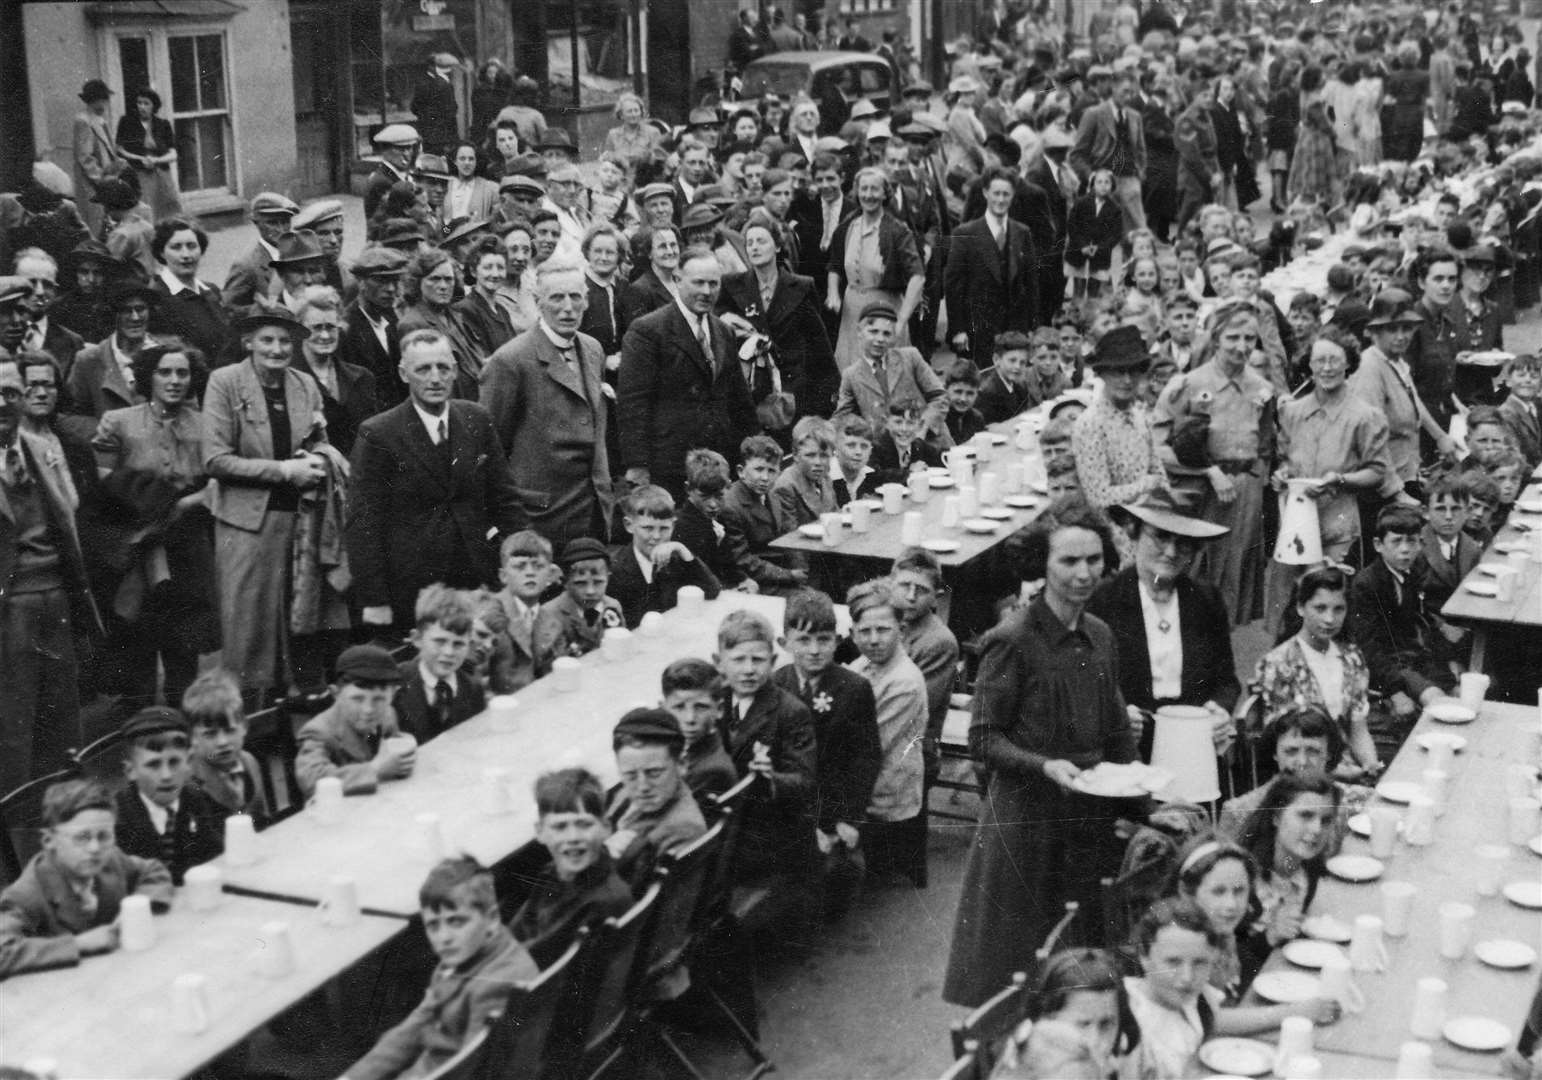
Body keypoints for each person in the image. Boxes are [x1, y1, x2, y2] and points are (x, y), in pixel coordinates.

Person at [943, 499, 1137, 1007]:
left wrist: (1143, 801)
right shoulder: (1011, 639)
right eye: (1068, 561)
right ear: (1041, 565)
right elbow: (982, 739)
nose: (1084, 573)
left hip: (1085, 817)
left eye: (1094, 560)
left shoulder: (1100, 635)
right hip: (1025, 823)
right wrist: (1044, 764)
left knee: (1075, 959)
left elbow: (1116, 729)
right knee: (1014, 968)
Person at [348, 329, 522, 638]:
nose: (435, 378)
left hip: (475, 571)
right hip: (413, 583)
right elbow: (364, 523)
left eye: (443, 368)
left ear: (455, 371)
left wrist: (519, 561)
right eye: (423, 369)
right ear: (404, 374)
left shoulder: (475, 419)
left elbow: (504, 498)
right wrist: (374, 599)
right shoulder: (379, 433)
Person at [202, 309, 331, 698]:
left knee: (296, 629)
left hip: (299, 520)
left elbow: (319, 438)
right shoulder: (225, 382)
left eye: (286, 341)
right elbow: (215, 459)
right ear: (249, 343)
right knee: (248, 632)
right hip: (246, 524)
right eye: (268, 340)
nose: (277, 349)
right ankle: (246, 725)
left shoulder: (303, 383)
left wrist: (320, 457)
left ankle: (288, 725)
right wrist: (285, 471)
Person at [91, 341, 216, 709]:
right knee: (138, 638)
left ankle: (181, 719)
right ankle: (141, 724)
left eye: (182, 372)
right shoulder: (120, 422)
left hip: (188, 549)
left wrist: (189, 503)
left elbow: (216, 481)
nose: (175, 380)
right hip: (136, 548)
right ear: (148, 376)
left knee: (185, 643)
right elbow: (104, 485)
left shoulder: (207, 425)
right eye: (165, 372)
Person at [0, 350, 100, 796]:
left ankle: (67, 819)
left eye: (10, 393)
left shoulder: (41, 450)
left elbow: (69, 524)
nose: (4, 404)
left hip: (56, 596)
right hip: (10, 607)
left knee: (63, 724)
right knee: (13, 727)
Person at [343, 857, 535, 1080]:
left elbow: (474, 1069)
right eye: (433, 925)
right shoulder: (469, 953)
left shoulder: (496, 983)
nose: (443, 938)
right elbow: (417, 1024)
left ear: (491, 919)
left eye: (456, 921)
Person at [1086, 488, 1239, 764]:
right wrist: (1116, 714)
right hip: (1128, 743)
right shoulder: (1104, 600)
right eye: (1161, 537)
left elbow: (1226, 680)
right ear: (1134, 532)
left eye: (1183, 543)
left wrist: (1220, 710)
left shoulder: (1206, 599)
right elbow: (1087, 683)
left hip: (1192, 738)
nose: (1170, 552)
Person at [1152, 301, 1276, 622]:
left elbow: (1264, 445)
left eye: (1250, 338)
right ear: (1217, 338)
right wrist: (1207, 470)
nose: (1242, 346)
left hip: (1244, 498)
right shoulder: (1188, 384)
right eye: (1233, 337)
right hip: (1201, 494)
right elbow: (1157, 446)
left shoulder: (1262, 389)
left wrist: (1254, 483)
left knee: (1232, 585)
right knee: (1196, 578)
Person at [479, 260, 613, 549]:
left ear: (587, 301)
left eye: (575, 297)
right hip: (539, 519)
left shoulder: (592, 349)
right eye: (556, 298)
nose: (567, 307)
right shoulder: (511, 361)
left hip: (592, 512)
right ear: (539, 303)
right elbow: (489, 449)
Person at [617, 247, 758, 495]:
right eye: (699, 283)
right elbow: (633, 405)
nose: (706, 291)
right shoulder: (648, 331)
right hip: (670, 465)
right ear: (678, 280)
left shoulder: (723, 331)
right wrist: (637, 465)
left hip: (717, 462)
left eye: (713, 284)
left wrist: (752, 449)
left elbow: (739, 399)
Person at [0, 778, 172, 978]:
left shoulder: (110, 860)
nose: (95, 848)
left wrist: (135, 910)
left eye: (104, 836)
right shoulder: (26, 894)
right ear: (49, 840)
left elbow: (153, 871)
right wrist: (78, 944)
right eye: (81, 837)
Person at [770, 589, 880, 898]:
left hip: (835, 801)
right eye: (804, 640)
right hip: (792, 803)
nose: (815, 650)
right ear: (784, 643)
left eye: (824, 639)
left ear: (838, 639)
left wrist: (849, 818)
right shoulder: (777, 685)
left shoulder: (854, 688)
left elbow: (866, 757)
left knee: (840, 873)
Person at [1272, 328, 1389, 580]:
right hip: (1295, 522)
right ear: (1309, 365)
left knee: (1330, 598)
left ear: (1348, 363)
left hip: (1338, 525)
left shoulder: (1365, 416)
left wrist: (1340, 479)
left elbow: (1378, 472)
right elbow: (1284, 458)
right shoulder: (1292, 412)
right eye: (1319, 361)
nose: (1327, 368)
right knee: (1287, 600)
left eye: (1334, 360)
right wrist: (1281, 475)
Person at [1249, 565, 1381, 782]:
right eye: (1320, 608)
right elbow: (1286, 749)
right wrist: (1337, 774)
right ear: (1301, 607)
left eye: (1338, 609)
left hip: (1348, 773)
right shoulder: (1279, 663)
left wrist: (1370, 764)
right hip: (1299, 778)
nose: (1330, 619)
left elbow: (1358, 729)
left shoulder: (1351, 657)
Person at [715, 609, 817, 882]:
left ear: (772, 661)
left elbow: (804, 780)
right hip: (721, 820)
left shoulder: (792, 712)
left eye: (758, 660)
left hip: (764, 831)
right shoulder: (712, 702)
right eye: (738, 659)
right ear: (719, 663)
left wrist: (772, 778)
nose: (749, 669)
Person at [1348, 506, 1457, 755]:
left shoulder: (1415, 571)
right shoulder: (1367, 583)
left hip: (1416, 657)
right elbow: (1368, 646)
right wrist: (1395, 690)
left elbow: (1423, 622)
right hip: (1389, 666)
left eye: (1412, 541)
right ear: (1378, 544)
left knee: (1459, 692)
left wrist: (1449, 659)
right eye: (1396, 541)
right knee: (1436, 701)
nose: (1405, 549)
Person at [845, 579, 930, 885]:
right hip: (868, 767)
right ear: (852, 632)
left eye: (883, 630)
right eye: (864, 631)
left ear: (901, 631)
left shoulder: (903, 682)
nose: (874, 639)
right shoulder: (866, 664)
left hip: (886, 787)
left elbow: (870, 746)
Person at [507, 768, 633, 969]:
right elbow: (521, 925)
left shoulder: (602, 901)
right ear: (540, 832)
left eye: (584, 824)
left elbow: (534, 956)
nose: (573, 837)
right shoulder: (554, 873)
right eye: (559, 827)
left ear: (606, 828)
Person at [719, 209, 837, 418]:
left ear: (778, 246)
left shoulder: (801, 286)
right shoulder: (731, 285)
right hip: (751, 384)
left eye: (761, 241)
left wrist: (826, 395)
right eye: (750, 243)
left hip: (793, 386)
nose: (755, 247)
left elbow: (818, 345)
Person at [1350, 289, 1456, 500]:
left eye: (1406, 328)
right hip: (1381, 487)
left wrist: (1440, 436)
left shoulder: (1396, 361)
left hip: (1407, 473)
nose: (1401, 336)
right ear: (1375, 331)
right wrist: (1397, 493)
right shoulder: (1370, 368)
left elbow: (1413, 401)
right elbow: (1372, 441)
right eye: (1392, 329)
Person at [825, 168, 926, 372]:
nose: (868, 195)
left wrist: (901, 321)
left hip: (885, 313)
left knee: (887, 375)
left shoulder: (897, 231)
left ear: (884, 193)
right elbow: (834, 265)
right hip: (852, 313)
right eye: (864, 189)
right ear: (856, 192)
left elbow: (917, 277)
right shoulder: (848, 226)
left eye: (874, 189)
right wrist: (833, 293)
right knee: (852, 374)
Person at [110, 707, 224, 885]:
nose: (166, 775)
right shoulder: (119, 819)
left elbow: (215, 852)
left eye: (174, 762)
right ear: (130, 771)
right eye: (153, 764)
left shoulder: (195, 799)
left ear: (188, 762)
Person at [1233, 770, 1342, 951]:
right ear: (1276, 816)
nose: (1316, 829)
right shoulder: (1242, 878)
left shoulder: (1308, 870)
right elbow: (1219, 963)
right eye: (1305, 815)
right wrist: (1269, 937)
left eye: (1326, 820)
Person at [1122, 898, 1225, 1079]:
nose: (1187, 977)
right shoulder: (1133, 1029)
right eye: (1173, 962)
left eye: (1200, 963)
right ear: (1144, 957)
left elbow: (1216, 1020)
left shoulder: (1186, 995)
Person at [605, 708, 707, 888]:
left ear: (681, 764)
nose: (642, 786)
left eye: (654, 773)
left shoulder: (682, 828)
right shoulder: (630, 794)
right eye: (630, 775)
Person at [946, 167, 1038, 364]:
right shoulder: (965, 233)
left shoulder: (1022, 232)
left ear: (1013, 196)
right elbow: (954, 286)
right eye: (996, 193)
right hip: (978, 328)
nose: (1001, 199)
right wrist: (958, 329)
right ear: (985, 193)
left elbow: (1031, 284)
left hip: (1014, 329)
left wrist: (1031, 326)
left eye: (1006, 194)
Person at [1071, 325, 1165, 518]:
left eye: (1134, 371)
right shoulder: (1090, 424)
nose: (1127, 380)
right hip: (1110, 524)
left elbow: (1159, 474)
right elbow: (1099, 497)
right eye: (1118, 372)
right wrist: (1146, 485)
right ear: (1102, 374)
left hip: (1146, 517)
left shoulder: (1139, 416)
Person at [295, 644, 412, 797]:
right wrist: (375, 769)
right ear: (336, 693)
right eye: (357, 699)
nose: (368, 709)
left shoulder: (388, 713)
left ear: (392, 696)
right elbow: (311, 780)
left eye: (379, 699)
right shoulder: (318, 731)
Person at [607, 484, 722, 626]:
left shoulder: (676, 558)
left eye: (664, 528)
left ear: (673, 525)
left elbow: (712, 591)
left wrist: (683, 550)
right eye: (648, 528)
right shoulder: (615, 568)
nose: (656, 536)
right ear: (629, 525)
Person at [60, 280, 159, 440]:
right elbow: (68, 417)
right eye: (126, 310)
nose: (135, 317)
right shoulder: (89, 360)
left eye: (140, 309)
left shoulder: (166, 356)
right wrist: (104, 430)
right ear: (113, 315)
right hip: (111, 457)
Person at [832, 302, 946, 438]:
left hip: (925, 440)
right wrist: (819, 432)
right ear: (859, 332)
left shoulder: (910, 357)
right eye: (873, 332)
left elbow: (940, 396)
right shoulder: (851, 375)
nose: (880, 339)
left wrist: (923, 427)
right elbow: (841, 417)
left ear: (894, 336)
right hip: (884, 449)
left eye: (886, 334)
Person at [291, 286, 376, 458]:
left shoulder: (361, 378)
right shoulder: (289, 380)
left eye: (330, 327)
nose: (324, 335)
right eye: (316, 328)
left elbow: (373, 436)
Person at [394, 585, 483, 743]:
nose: (449, 652)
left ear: (469, 645)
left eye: (458, 644)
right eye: (440, 641)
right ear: (417, 639)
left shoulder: (472, 687)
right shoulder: (395, 685)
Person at [182, 669, 270, 825]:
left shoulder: (249, 762)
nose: (222, 742)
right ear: (192, 737)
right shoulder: (188, 781)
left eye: (230, 730)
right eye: (210, 734)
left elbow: (262, 819)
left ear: (243, 727)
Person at [531, 537, 624, 673]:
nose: (590, 591)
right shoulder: (549, 615)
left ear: (608, 577)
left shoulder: (612, 606)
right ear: (566, 582)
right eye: (580, 583)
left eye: (598, 582)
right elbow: (548, 669)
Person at [398, 247, 480, 399]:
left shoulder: (455, 315)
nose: (443, 286)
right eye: (435, 279)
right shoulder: (413, 324)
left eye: (449, 279)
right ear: (418, 282)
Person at [1070, 73, 1147, 234]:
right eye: (1124, 91)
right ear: (1114, 88)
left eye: (1132, 93)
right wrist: (1091, 176)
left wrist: (1139, 172)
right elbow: (1077, 154)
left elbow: (1140, 150)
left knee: (1137, 235)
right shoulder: (1094, 113)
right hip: (1103, 180)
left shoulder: (1135, 116)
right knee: (1100, 238)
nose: (1128, 96)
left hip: (1129, 180)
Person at [146, 218, 228, 363]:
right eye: (176, 247)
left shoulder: (211, 290)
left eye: (191, 246)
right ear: (161, 253)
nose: (186, 255)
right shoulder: (156, 297)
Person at [340, 246, 407, 409]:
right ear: (361, 282)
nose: (391, 289)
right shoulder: (347, 328)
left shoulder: (393, 320)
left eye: (394, 281)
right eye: (381, 281)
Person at [221, 192, 300, 319]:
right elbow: (228, 310)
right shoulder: (246, 265)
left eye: (285, 222)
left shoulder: (299, 253)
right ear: (256, 223)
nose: (281, 229)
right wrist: (263, 311)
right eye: (272, 223)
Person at [114, 88, 180, 222]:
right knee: (144, 210)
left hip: (161, 175)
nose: (142, 107)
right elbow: (120, 149)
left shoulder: (163, 124)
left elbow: (173, 153)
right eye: (139, 103)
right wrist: (140, 159)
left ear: (153, 106)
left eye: (146, 103)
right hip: (138, 174)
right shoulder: (127, 122)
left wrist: (156, 160)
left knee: (168, 211)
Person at [72, 80, 127, 239]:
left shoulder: (100, 120)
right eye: (103, 99)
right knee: (96, 227)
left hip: (107, 182)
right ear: (93, 100)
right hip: (93, 185)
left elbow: (109, 150)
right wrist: (103, 181)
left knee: (110, 226)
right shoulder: (83, 120)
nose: (106, 104)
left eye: (106, 99)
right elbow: (85, 158)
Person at [452, 236, 516, 360]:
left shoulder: (502, 311)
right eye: (488, 267)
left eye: (500, 268)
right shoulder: (465, 309)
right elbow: (479, 360)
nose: (495, 274)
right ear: (473, 271)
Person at [771, 416, 840, 530]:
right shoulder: (785, 487)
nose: (818, 462)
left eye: (824, 455)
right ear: (795, 455)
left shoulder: (825, 478)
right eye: (810, 455)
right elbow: (789, 539)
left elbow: (836, 516)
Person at [1064, 169, 1123, 300]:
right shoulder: (1081, 202)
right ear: (1093, 184)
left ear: (1112, 186)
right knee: (1078, 285)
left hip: (1100, 254)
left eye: (1107, 182)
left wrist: (1100, 248)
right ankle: (1076, 311)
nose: (1103, 185)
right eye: (1099, 182)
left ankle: (1091, 312)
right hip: (1079, 251)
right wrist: (1082, 245)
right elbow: (1072, 226)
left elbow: (1115, 234)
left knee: (1095, 288)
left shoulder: (1115, 209)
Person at [1497, 352, 1542, 469]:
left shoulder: (1531, 408)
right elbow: (1513, 458)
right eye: (1521, 375)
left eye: (1534, 376)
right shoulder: (1506, 414)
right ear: (1508, 381)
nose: (1528, 380)